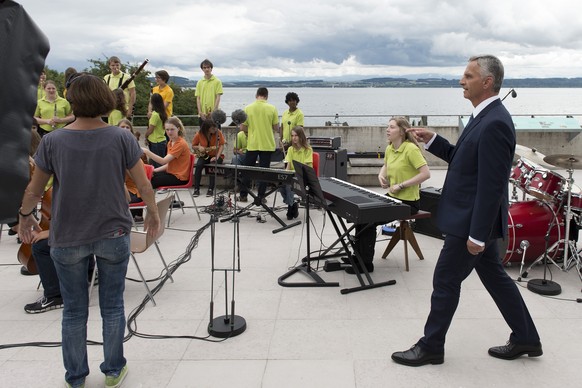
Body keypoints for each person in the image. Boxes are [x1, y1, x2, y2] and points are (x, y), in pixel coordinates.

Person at [391, 55, 542, 367]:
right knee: (497, 279)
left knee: (445, 280)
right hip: (472, 220)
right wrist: (433, 140)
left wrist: (477, 234)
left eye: (468, 76)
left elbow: (492, 185)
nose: (462, 81)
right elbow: (464, 160)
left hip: (471, 223)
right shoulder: (482, 117)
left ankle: (431, 346)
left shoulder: (496, 122)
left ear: (486, 82)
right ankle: (526, 337)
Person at [18, 72, 160, 388]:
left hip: (67, 237)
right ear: (105, 100)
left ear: (72, 100)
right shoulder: (122, 138)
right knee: (112, 305)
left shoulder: (52, 140)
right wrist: (152, 213)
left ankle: (76, 377)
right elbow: (143, 183)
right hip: (113, 234)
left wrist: (25, 217)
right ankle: (112, 371)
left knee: (73, 310)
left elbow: (34, 190)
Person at [348, 117, 430, 275]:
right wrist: (381, 175)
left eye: (391, 127)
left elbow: (426, 174)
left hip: (408, 202)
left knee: (369, 220)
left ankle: (366, 264)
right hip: (392, 197)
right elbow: (386, 165)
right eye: (387, 127)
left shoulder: (411, 149)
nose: (387, 130)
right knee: (361, 213)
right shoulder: (390, 148)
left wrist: (401, 185)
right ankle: (357, 256)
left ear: (401, 131)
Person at [239, 87, 279, 203]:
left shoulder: (248, 108)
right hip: (267, 144)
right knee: (264, 172)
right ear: (266, 96)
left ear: (256, 95)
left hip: (252, 143)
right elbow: (276, 127)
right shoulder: (272, 108)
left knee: (247, 171)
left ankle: (243, 195)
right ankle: (261, 196)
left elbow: (242, 127)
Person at [142, 116, 192, 189]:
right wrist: (154, 170)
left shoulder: (180, 143)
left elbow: (163, 161)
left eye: (172, 129)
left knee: (150, 182)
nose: (169, 132)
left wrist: (146, 151)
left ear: (178, 129)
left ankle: (147, 200)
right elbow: (169, 164)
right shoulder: (170, 142)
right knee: (148, 177)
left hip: (179, 177)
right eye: (167, 130)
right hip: (172, 174)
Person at [279, 126, 312, 220]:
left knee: (289, 186)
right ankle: (293, 203)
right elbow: (288, 166)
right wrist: (284, 176)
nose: (294, 138)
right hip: (293, 176)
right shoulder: (290, 149)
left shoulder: (308, 150)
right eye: (292, 135)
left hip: (304, 177)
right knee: (281, 186)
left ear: (301, 136)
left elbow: (305, 168)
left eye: (296, 135)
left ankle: (290, 208)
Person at [118, 118, 147, 222]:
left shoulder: (134, 152)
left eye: (127, 127)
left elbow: (137, 178)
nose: (125, 129)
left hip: (133, 190)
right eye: (122, 127)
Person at [191, 119, 225, 197]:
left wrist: (217, 157)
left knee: (212, 166)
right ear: (207, 128)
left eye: (215, 128)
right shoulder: (199, 134)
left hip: (216, 155)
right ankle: (196, 189)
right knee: (199, 166)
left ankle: (211, 189)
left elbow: (222, 145)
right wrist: (199, 147)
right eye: (213, 128)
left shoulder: (218, 133)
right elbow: (193, 145)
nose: (215, 129)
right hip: (205, 155)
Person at [145, 93, 168, 168]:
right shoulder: (163, 113)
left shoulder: (155, 115)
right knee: (161, 162)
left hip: (155, 142)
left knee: (157, 164)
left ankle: (158, 178)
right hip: (161, 140)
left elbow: (150, 129)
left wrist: (146, 136)